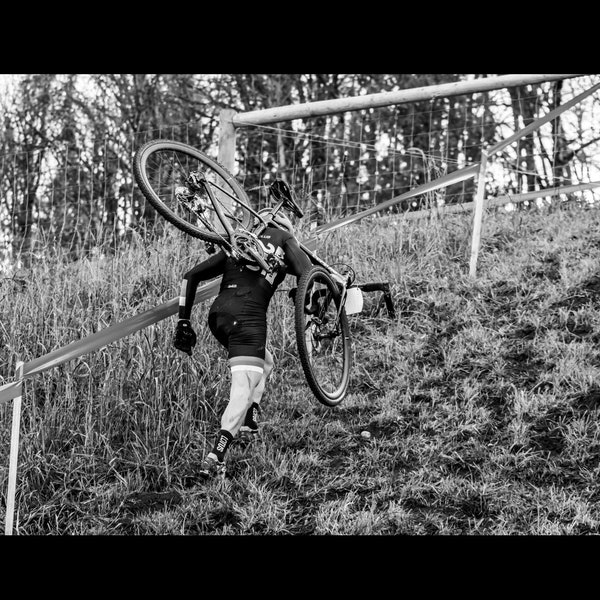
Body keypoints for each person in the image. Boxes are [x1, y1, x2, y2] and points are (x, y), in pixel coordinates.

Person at [173, 207, 313, 481]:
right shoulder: (285, 239)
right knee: (242, 387)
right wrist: (304, 296)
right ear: (284, 225)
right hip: (249, 317)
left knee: (266, 362)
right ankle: (216, 457)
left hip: (220, 317)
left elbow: (190, 276)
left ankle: (251, 417)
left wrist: (184, 321)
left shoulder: (238, 243)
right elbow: (307, 273)